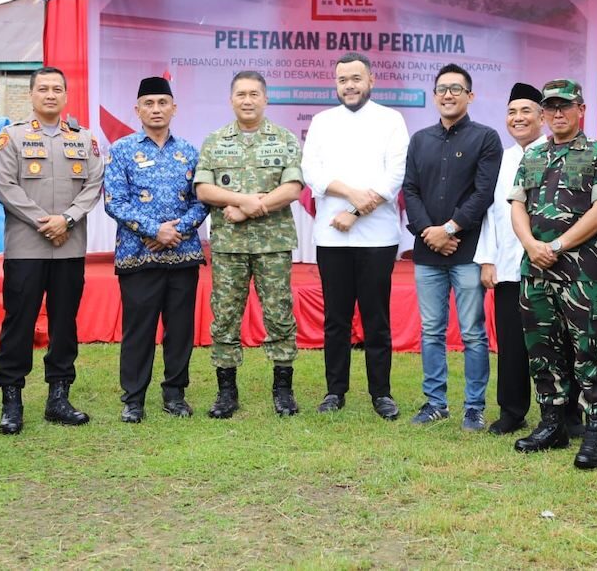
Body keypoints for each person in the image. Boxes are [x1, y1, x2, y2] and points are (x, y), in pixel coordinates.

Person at [509, 78, 597, 470]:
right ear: (543, 113)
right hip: (535, 270)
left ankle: (594, 431)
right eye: (551, 107)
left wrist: (556, 246)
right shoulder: (533, 156)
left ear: (581, 110)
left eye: (565, 106)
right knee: (543, 350)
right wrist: (531, 246)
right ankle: (551, 423)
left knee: (588, 350)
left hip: (579, 274)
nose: (558, 113)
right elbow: (517, 207)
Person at [0, 67, 104, 433]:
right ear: (32, 95)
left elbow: (93, 184)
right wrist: (46, 221)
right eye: (43, 89)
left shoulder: (84, 139)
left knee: (64, 323)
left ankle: (59, 397)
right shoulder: (13, 137)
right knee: (18, 322)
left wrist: (67, 220)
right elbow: (5, 186)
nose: (50, 95)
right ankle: (12, 400)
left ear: (66, 96)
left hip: (69, 247)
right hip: (27, 246)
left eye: (57, 89)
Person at [301, 52, 408, 420]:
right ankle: (335, 391)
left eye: (356, 78)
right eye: (343, 79)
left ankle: (382, 393)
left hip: (377, 236)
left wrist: (358, 211)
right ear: (336, 83)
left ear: (371, 81)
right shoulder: (321, 121)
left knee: (376, 317)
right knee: (336, 318)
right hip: (332, 238)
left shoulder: (391, 120)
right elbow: (311, 171)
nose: (350, 85)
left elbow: (395, 175)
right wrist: (349, 194)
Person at [195, 71, 304, 418]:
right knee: (225, 316)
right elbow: (204, 190)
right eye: (241, 94)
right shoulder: (215, 141)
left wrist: (248, 211)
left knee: (279, 315)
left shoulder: (284, 139)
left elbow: (292, 189)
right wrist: (244, 200)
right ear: (231, 100)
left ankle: (283, 390)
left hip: (273, 244)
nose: (247, 100)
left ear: (265, 99)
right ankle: (226, 392)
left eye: (254, 94)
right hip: (229, 247)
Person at [402, 63, 502, 430]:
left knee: (473, 331)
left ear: (470, 96)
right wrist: (429, 231)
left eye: (456, 89)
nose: (448, 94)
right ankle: (435, 402)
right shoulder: (420, 139)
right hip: (428, 252)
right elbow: (409, 190)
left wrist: (449, 228)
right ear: (434, 96)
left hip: (467, 251)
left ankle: (473, 406)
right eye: (442, 89)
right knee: (431, 329)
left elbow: (484, 193)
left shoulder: (486, 138)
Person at [102, 76, 208, 423]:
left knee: (180, 329)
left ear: (174, 108)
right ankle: (133, 399)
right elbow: (114, 201)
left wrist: (175, 231)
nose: (156, 109)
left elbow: (202, 201)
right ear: (137, 109)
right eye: (149, 103)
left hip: (183, 252)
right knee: (139, 328)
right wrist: (153, 230)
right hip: (138, 254)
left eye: (163, 102)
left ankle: (175, 394)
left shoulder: (190, 152)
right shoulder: (121, 150)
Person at [474, 82, 546, 435]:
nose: (518, 118)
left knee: (553, 343)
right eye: (512, 112)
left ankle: (563, 414)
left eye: (526, 111)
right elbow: (490, 213)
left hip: (549, 268)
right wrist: (487, 260)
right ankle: (512, 410)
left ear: (542, 117)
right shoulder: (502, 159)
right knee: (511, 345)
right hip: (507, 268)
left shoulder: (556, 153)